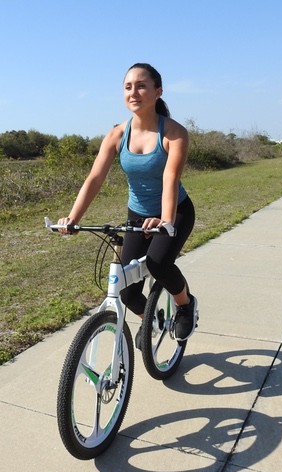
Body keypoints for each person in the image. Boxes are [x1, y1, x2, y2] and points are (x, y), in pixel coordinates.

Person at [58, 63, 198, 344]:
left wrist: (165, 221)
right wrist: (72, 218)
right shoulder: (117, 135)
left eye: (142, 86)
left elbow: (170, 179)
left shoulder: (174, 133)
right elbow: (95, 178)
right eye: (128, 87)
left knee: (158, 264)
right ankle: (151, 321)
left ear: (158, 91)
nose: (134, 92)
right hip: (138, 215)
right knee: (127, 290)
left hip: (175, 212)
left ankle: (185, 305)